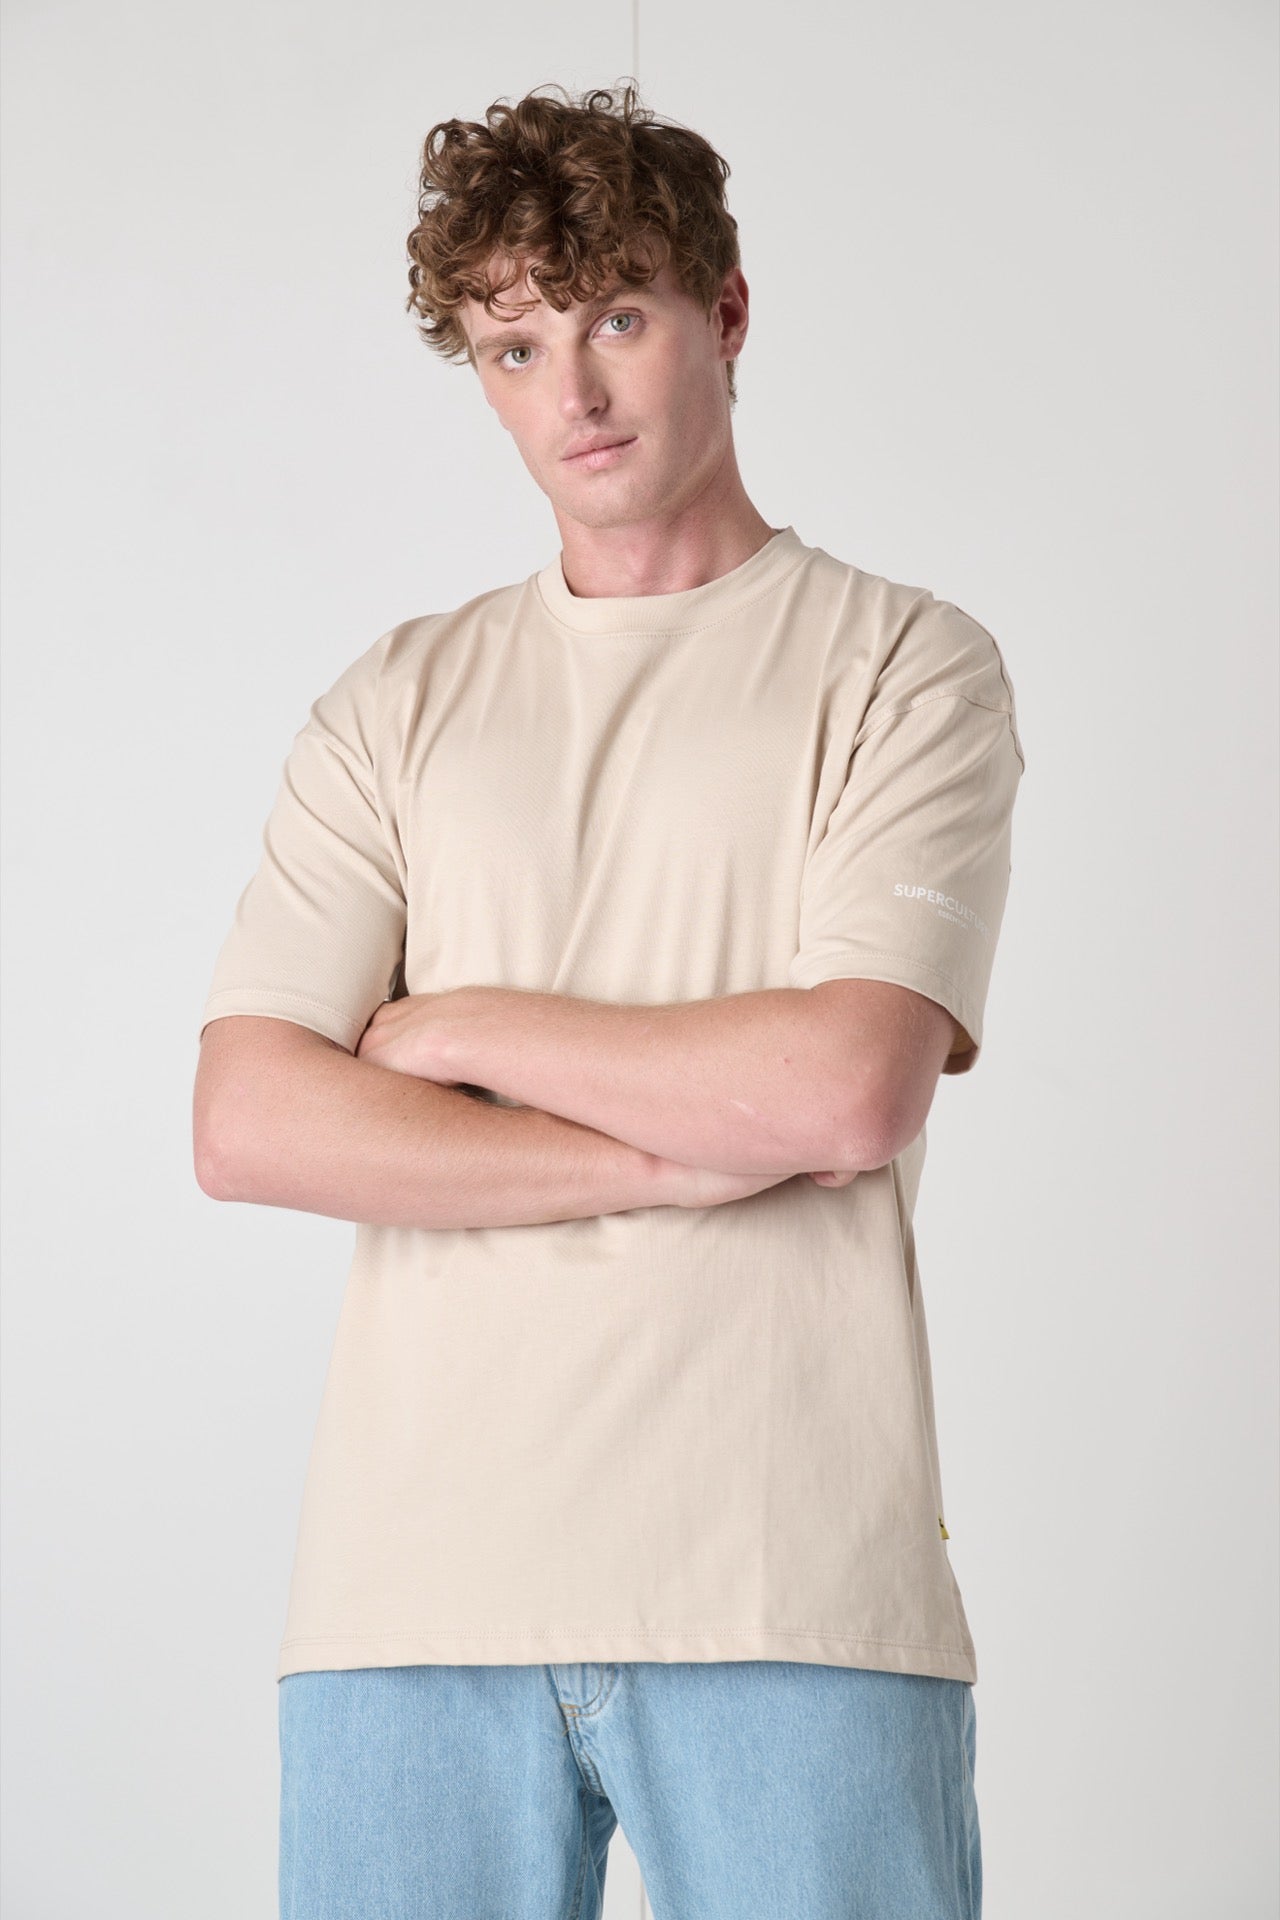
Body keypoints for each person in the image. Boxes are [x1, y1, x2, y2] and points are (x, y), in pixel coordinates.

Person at [193, 79, 1025, 1920]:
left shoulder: (903, 664)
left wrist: (458, 1027)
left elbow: (845, 1092)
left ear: (726, 310)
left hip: (787, 1584)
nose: (571, 392)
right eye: (515, 347)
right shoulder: (397, 701)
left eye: (618, 318)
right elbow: (248, 1120)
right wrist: (665, 1157)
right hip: (411, 1596)